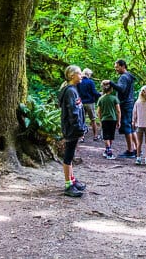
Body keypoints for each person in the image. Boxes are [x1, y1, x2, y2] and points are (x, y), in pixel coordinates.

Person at [59, 65, 87, 197]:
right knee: (68, 156)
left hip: (74, 128)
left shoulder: (72, 89)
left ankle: (72, 180)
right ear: (72, 76)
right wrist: (79, 128)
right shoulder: (70, 91)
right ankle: (68, 185)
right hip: (71, 128)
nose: (81, 76)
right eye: (79, 74)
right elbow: (73, 112)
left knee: (71, 155)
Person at [111, 59, 137, 158]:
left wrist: (111, 83)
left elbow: (121, 89)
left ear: (123, 66)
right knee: (130, 127)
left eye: (117, 67)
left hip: (125, 104)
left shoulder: (124, 77)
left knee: (126, 127)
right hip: (129, 103)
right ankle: (136, 149)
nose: (116, 69)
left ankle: (130, 150)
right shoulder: (129, 76)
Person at [96, 80, 121, 159]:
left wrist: (100, 120)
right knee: (111, 136)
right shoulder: (114, 98)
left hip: (104, 119)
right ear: (111, 89)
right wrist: (118, 121)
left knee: (106, 136)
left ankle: (108, 150)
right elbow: (118, 111)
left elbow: (98, 112)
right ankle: (109, 151)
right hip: (113, 119)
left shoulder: (101, 99)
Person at [78, 68, 101, 141]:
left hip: (81, 103)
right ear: (88, 74)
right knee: (93, 120)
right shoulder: (90, 82)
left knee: (82, 120)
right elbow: (94, 92)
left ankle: (82, 137)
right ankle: (95, 136)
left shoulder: (79, 82)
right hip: (90, 103)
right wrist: (100, 94)